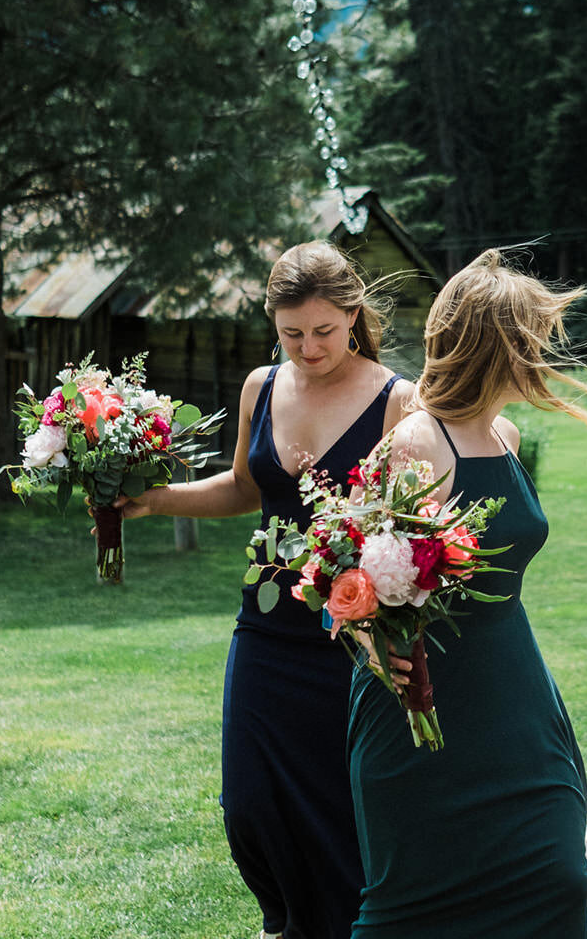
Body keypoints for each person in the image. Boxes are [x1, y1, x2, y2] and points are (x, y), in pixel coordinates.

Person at [118, 241, 413, 939]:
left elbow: (404, 531)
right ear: (272, 324)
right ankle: (285, 919)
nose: (308, 349)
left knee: (340, 810)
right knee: (248, 802)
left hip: (352, 637)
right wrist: (158, 501)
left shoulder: (399, 400)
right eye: (292, 334)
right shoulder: (261, 385)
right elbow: (246, 489)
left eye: (324, 332)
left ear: (354, 315)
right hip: (266, 626)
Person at [345, 249, 587, 938]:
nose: (544, 350)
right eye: (530, 337)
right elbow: (350, 585)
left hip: (515, 703)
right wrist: (383, 659)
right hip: (428, 711)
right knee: (422, 911)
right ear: (496, 348)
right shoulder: (417, 442)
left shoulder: (505, 433)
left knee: (555, 880)